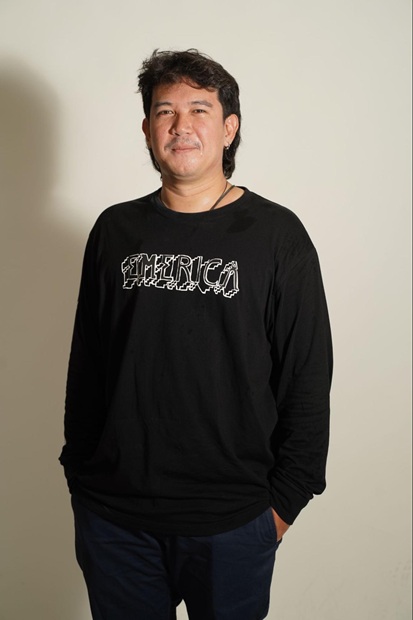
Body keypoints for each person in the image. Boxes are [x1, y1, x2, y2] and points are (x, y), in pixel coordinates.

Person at [59, 49, 333, 620]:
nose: (181, 125)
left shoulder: (277, 236)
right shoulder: (114, 230)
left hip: (233, 522)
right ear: (147, 129)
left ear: (229, 128)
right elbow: (87, 364)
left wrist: (282, 506)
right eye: (166, 111)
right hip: (115, 523)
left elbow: (306, 376)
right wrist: (80, 478)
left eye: (199, 110)